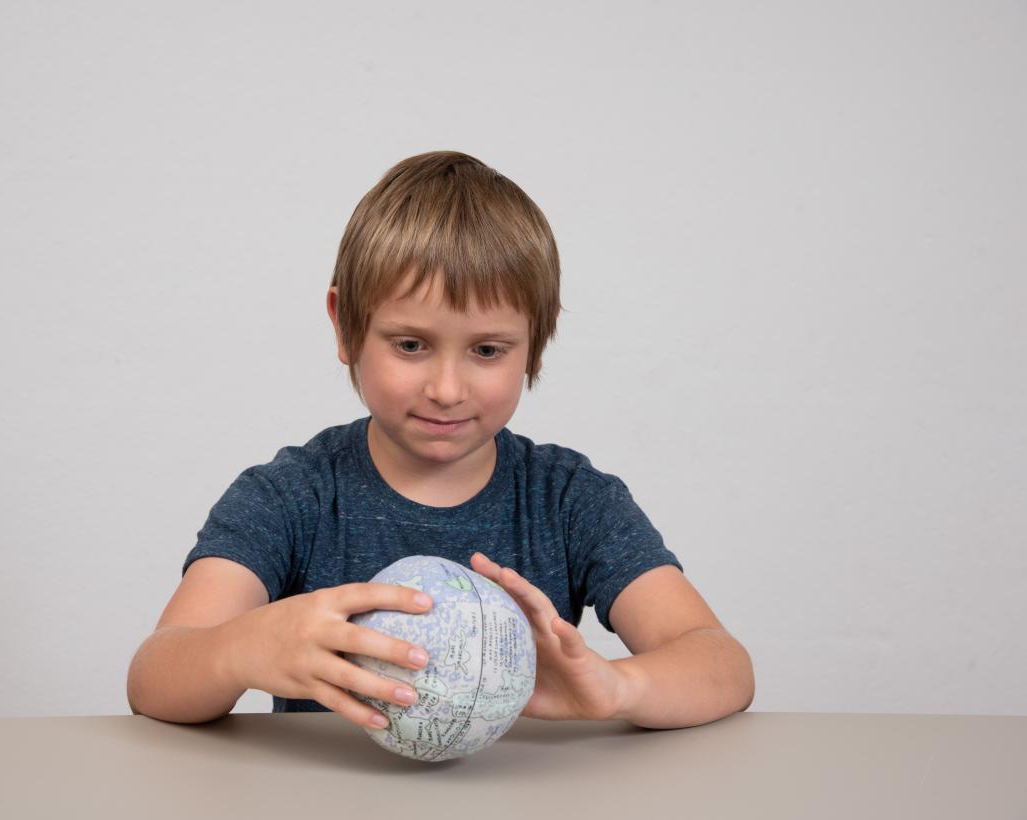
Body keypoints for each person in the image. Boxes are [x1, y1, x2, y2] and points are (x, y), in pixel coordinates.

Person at [126, 150, 755, 732]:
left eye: (487, 350)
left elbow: (721, 663)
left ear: (534, 343)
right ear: (345, 326)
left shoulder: (570, 501)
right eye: (410, 344)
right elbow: (154, 676)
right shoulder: (291, 497)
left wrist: (617, 687)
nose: (447, 388)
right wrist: (240, 650)